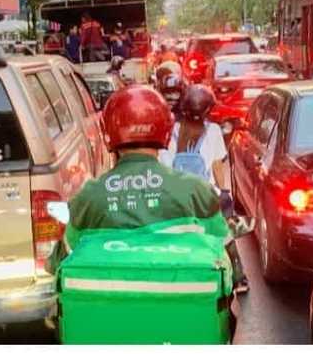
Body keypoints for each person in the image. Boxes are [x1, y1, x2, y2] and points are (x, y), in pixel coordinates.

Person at [65, 85, 228, 253]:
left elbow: (62, 257)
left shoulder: (88, 196)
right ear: (167, 130)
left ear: (107, 132)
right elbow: (220, 243)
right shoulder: (199, 190)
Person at [158, 84, 248, 292]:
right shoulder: (214, 131)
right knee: (226, 232)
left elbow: (163, 167)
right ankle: (239, 277)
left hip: (174, 197)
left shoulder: (171, 131)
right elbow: (217, 166)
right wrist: (224, 192)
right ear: (208, 110)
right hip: (205, 195)